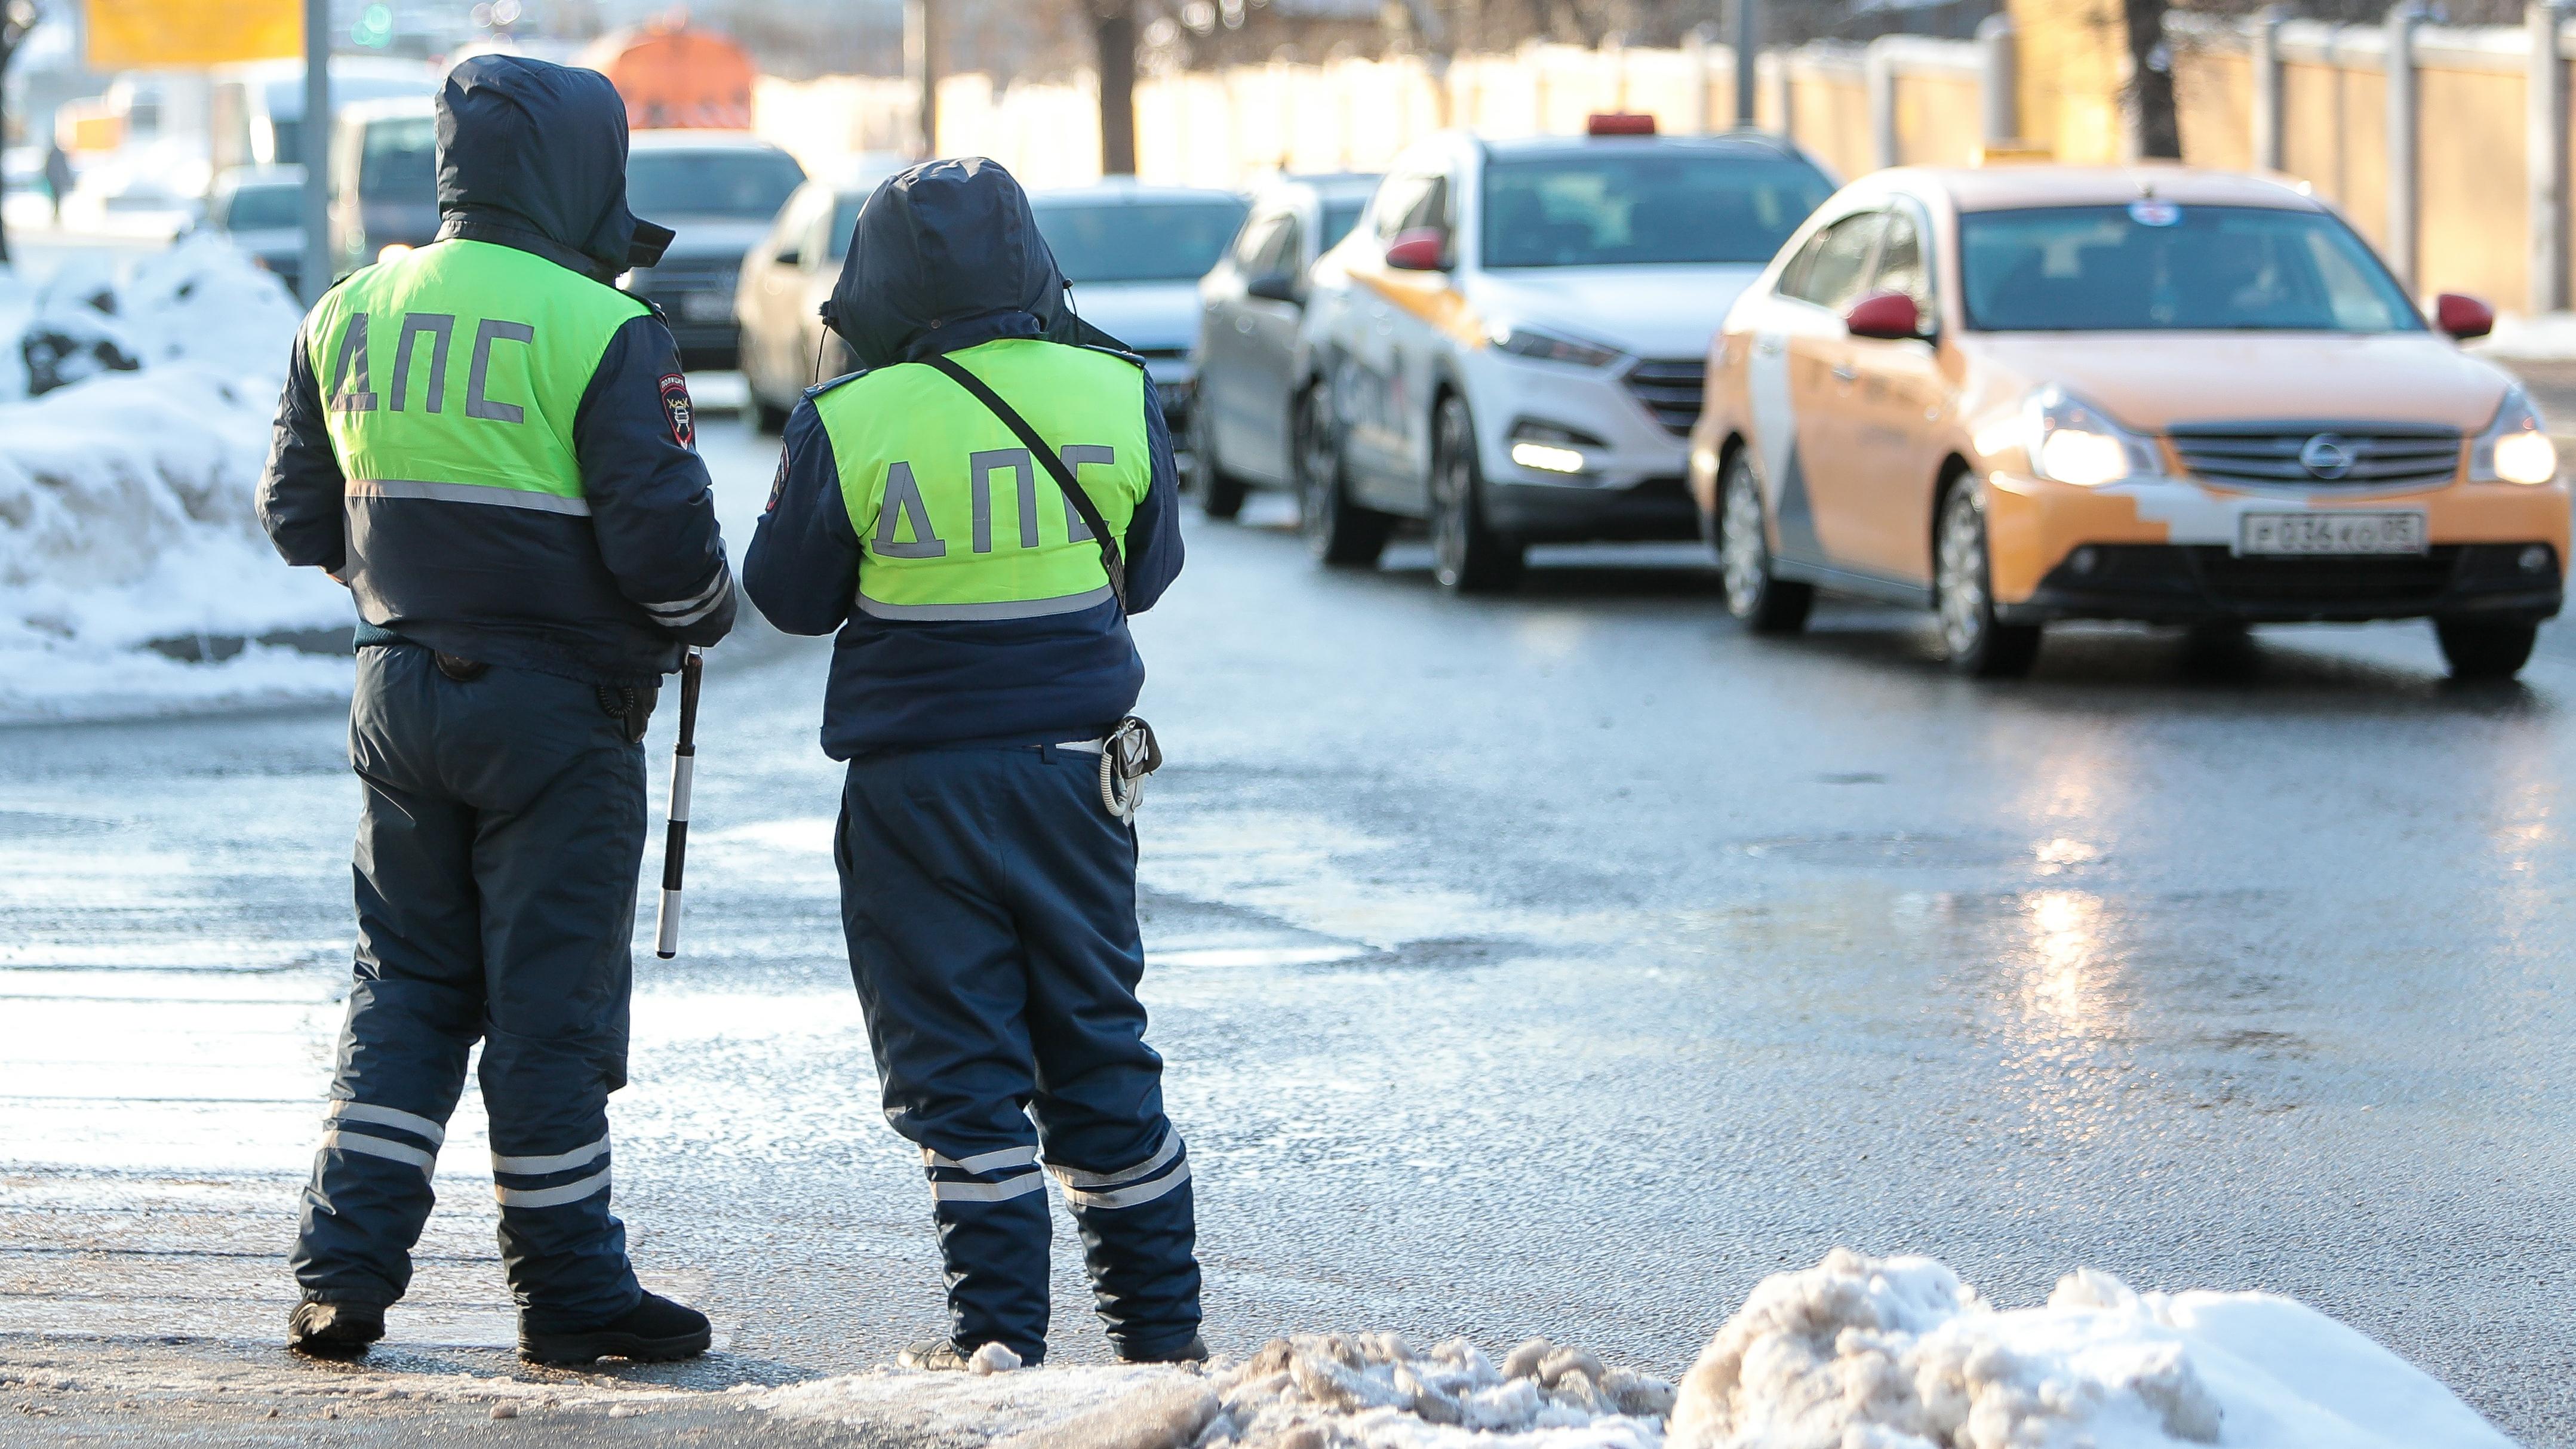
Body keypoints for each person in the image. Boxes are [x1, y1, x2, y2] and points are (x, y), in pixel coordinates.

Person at [254, 54, 736, 1367]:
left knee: (404, 981)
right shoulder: (603, 328)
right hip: (562, 717)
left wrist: (411, 573)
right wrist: (704, 613)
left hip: (396, 691)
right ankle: (571, 1292)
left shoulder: (351, 306)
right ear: (589, 170)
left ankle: (340, 1279)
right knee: (548, 1005)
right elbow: (667, 551)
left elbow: (296, 514)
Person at [742, 156, 1201, 1371]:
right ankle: (1164, 1349)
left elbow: (785, 599)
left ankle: (998, 1344)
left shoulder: (855, 416)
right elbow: (1147, 575)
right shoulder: (1113, 386)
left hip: (916, 795)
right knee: (1102, 1047)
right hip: (1076, 782)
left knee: (962, 1069)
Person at [42, 141, 73, 224]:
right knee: (57, 198)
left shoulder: (52, 154)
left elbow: (49, 167)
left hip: (54, 179)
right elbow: (63, 168)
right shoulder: (59, 154)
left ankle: (56, 214)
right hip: (57, 179)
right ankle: (56, 214)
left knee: (55, 198)